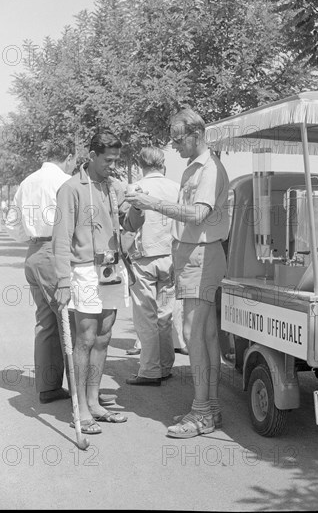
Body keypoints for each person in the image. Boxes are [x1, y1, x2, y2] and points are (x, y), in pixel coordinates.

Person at [125, 107, 230, 438]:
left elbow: (197, 214)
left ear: (196, 135)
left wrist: (153, 203)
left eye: (178, 139)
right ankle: (209, 406)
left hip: (201, 255)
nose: (174, 146)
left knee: (193, 334)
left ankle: (201, 412)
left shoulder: (209, 169)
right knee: (206, 335)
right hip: (193, 255)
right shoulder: (192, 170)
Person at [53, 130, 130, 435]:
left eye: (116, 159)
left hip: (112, 268)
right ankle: (81, 409)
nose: (113, 164)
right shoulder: (71, 189)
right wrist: (61, 280)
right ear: (93, 156)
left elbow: (128, 224)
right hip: (83, 269)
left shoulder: (114, 187)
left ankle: (94, 401)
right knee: (85, 337)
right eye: (108, 160)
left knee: (105, 335)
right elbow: (60, 238)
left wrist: (137, 208)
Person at [5, 146, 77, 405]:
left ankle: (48, 386)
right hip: (54, 252)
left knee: (46, 321)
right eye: (74, 161)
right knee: (70, 320)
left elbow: (12, 225)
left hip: (34, 251)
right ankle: (81, 391)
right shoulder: (66, 181)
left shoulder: (27, 181)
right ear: (69, 157)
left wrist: (33, 237)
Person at [121, 146, 180, 386]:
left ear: (140, 164)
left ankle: (150, 370)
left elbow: (131, 225)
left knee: (146, 316)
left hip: (145, 258)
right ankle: (165, 366)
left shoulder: (136, 189)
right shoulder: (176, 187)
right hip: (171, 256)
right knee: (165, 315)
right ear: (162, 164)